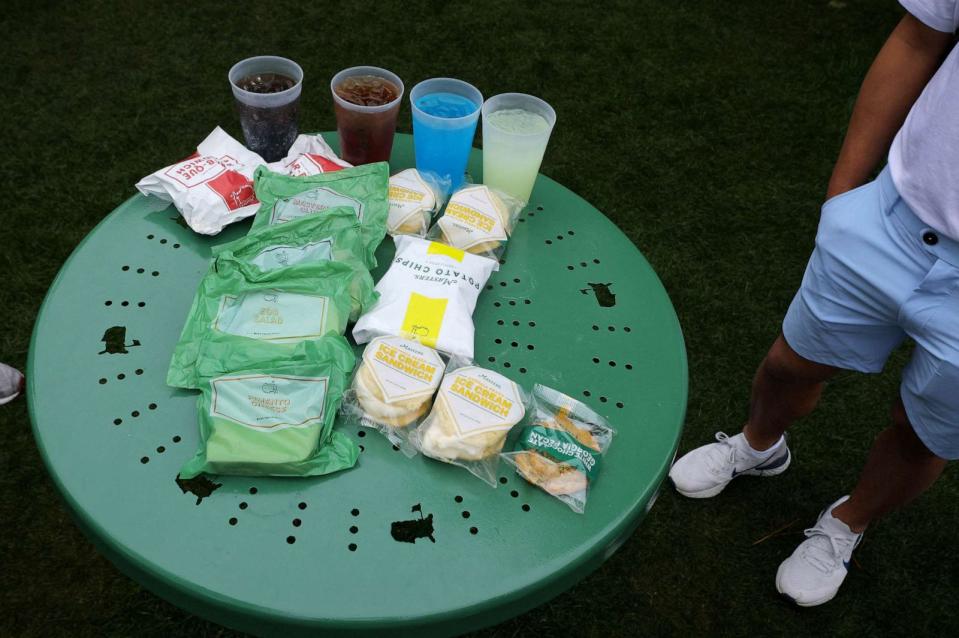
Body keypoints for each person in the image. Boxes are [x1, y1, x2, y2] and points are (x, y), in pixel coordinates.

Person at [669, 1, 959, 607]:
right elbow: (918, 37)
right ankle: (758, 445)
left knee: (923, 434)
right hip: (894, 219)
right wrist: (843, 195)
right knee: (792, 362)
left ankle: (848, 522)